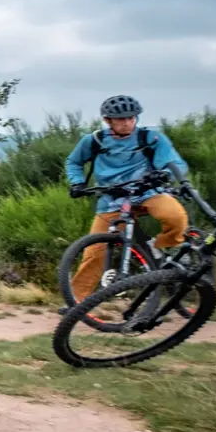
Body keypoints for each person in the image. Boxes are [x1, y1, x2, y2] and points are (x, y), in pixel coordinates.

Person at [63, 94, 189, 301]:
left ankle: (158, 246)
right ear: (108, 121)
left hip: (147, 193)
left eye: (132, 118)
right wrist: (77, 182)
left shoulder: (151, 138)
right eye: (121, 119)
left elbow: (176, 163)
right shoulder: (94, 141)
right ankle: (75, 303)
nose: (127, 122)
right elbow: (73, 162)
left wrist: (164, 174)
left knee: (174, 217)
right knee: (95, 251)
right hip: (112, 199)